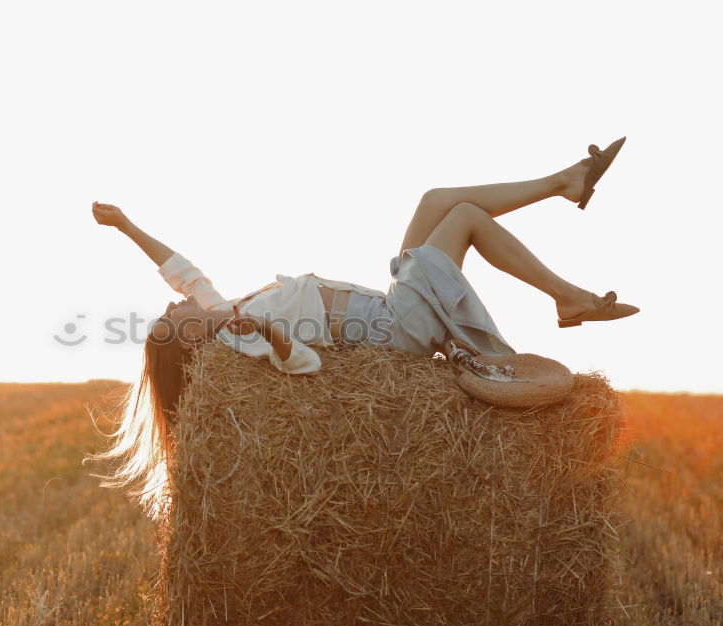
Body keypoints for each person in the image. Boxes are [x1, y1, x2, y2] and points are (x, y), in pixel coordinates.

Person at [84, 138, 639, 520]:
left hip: (386, 307)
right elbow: (305, 363)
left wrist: (125, 225)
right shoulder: (234, 337)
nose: (173, 304)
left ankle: (564, 183)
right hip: (393, 330)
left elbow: (181, 269)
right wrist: (271, 333)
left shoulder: (217, 307)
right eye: (171, 316)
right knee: (463, 217)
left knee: (434, 200)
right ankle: (568, 297)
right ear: (185, 337)